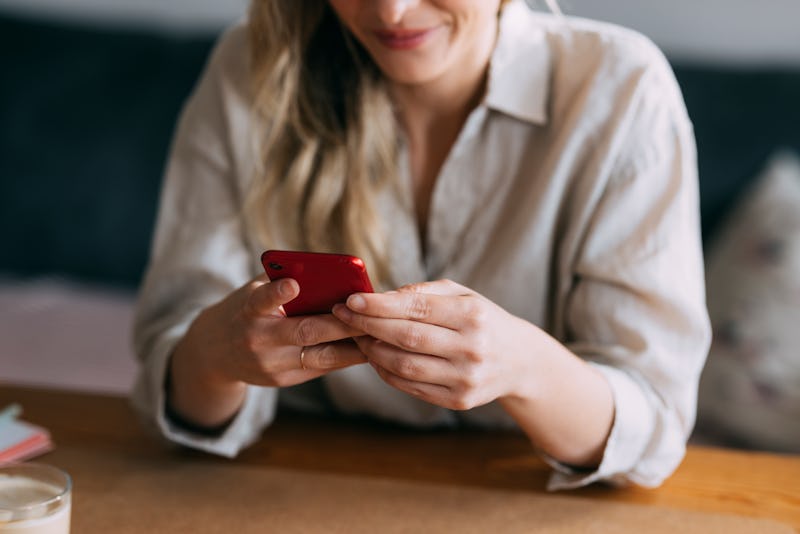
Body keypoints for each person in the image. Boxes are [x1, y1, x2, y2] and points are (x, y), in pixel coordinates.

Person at [132, 0, 711, 490]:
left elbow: (651, 426)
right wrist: (215, 355)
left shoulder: (621, 90)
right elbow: (174, 396)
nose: (391, 11)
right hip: (296, 486)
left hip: (521, 498)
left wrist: (527, 368)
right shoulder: (251, 70)